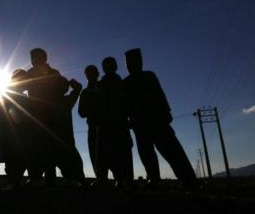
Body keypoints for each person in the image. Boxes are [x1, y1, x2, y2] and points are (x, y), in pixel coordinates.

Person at [123, 48, 197, 189]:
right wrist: (129, 120)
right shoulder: (126, 82)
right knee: (147, 153)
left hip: (157, 119)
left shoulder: (149, 76)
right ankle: (154, 178)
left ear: (140, 62)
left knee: (171, 149)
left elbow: (159, 94)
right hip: (139, 122)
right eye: (129, 62)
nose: (132, 64)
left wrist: (166, 111)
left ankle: (188, 179)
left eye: (135, 60)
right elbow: (124, 104)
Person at [26, 48, 64, 183]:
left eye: (36, 57)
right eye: (32, 57)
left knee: (49, 148)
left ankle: (49, 178)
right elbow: (18, 86)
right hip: (35, 116)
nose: (33, 60)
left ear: (44, 58)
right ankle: (36, 177)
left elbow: (63, 87)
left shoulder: (54, 73)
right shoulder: (30, 73)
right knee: (36, 148)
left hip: (49, 116)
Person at [97, 57, 134, 188]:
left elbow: (129, 102)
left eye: (110, 65)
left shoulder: (121, 84)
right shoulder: (101, 84)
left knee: (123, 151)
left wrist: (129, 118)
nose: (108, 67)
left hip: (119, 122)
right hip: (108, 123)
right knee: (108, 152)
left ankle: (126, 180)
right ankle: (118, 179)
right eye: (106, 65)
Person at [51, 77, 86, 186]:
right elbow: (78, 88)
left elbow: (78, 88)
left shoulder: (63, 101)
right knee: (71, 160)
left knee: (69, 160)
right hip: (63, 139)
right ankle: (76, 180)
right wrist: (71, 83)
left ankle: (76, 180)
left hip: (61, 138)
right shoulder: (66, 101)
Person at [78, 65, 107, 185]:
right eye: (89, 74)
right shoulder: (85, 93)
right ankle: (101, 178)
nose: (91, 76)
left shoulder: (105, 87)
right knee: (94, 153)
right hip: (93, 127)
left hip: (107, 126)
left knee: (107, 153)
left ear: (97, 74)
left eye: (93, 73)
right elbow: (81, 112)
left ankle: (119, 179)